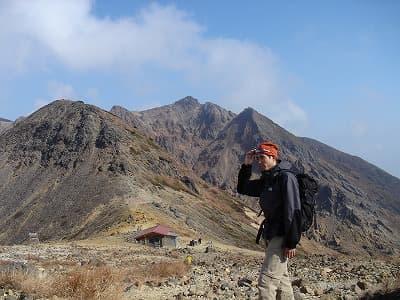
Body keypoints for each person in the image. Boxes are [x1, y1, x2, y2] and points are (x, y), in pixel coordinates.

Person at [237, 141, 301, 300]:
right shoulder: (268, 179)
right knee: (281, 282)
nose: (259, 161)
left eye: (262, 157)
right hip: (271, 233)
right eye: (257, 158)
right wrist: (247, 165)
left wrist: (291, 242)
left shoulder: (286, 178)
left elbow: (293, 211)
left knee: (266, 282)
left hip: (281, 235)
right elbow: (242, 188)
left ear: (273, 157)